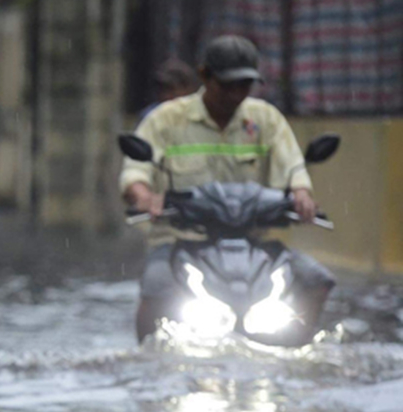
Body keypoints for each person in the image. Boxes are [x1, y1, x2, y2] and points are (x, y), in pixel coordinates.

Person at [120, 34, 334, 340]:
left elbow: (293, 169)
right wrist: (145, 197)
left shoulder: (266, 119)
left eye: (244, 85)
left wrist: (301, 195)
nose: (235, 94)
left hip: (252, 244)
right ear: (205, 76)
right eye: (227, 85)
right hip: (182, 241)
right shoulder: (166, 119)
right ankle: (146, 358)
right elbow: (135, 174)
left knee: (317, 280)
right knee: (156, 288)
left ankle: (297, 345)